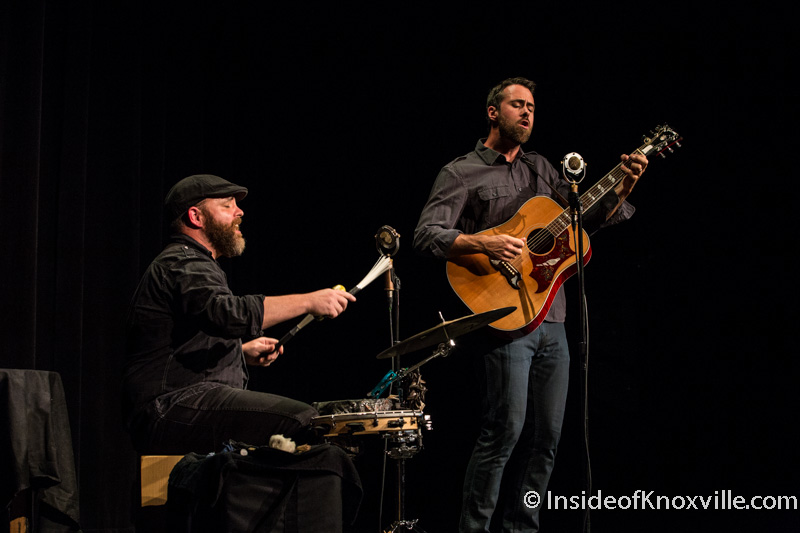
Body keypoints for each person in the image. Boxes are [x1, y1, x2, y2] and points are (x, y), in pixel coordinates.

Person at [412, 77, 648, 532]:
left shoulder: (544, 170)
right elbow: (426, 234)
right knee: (504, 433)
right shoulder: (461, 172)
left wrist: (624, 185)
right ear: (492, 112)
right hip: (504, 320)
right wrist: (481, 240)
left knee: (549, 439)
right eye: (518, 105)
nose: (527, 113)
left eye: (533, 108)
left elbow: (585, 222)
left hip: (553, 319)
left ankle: (523, 527)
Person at [123, 174, 356, 455]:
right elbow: (227, 314)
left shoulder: (191, 263)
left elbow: (185, 342)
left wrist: (239, 353)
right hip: (170, 408)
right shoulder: (184, 262)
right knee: (303, 421)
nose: (240, 212)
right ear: (196, 217)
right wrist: (310, 301)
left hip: (175, 405)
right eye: (227, 206)